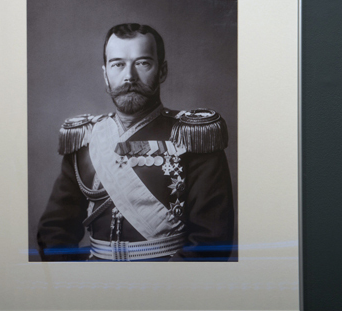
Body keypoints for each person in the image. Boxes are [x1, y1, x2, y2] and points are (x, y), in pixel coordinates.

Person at [36, 23, 234, 262]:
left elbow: (211, 240)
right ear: (105, 74)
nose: (129, 76)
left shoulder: (192, 136)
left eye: (142, 63)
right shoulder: (86, 138)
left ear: (162, 71)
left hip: (168, 279)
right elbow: (54, 232)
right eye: (118, 64)